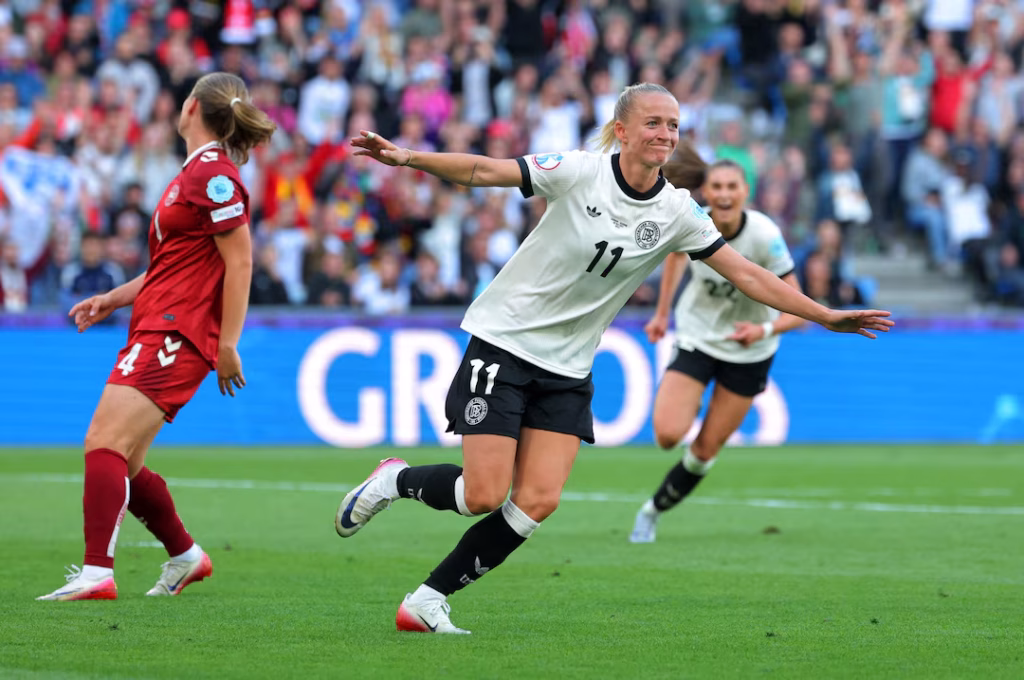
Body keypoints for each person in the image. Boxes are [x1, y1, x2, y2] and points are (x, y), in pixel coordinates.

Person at [336, 82, 892, 634]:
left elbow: (746, 272)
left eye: (673, 125)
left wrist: (824, 315)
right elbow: (487, 171)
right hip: (505, 344)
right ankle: (395, 480)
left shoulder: (677, 210)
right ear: (622, 130)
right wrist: (407, 157)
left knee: (536, 503)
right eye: (653, 122)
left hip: (569, 368)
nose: (666, 134)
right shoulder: (578, 170)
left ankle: (427, 601)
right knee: (482, 495)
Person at [37, 73, 276, 601]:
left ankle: (97, 571)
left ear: (191, 107)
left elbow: (240, 261)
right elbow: (171, 266)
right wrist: (112, 299)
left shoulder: (213, 175)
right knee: (127, 459)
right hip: (156, 320)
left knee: (103, 441)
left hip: (177, 331)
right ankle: (186, 555)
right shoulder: (193, 174)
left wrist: (228, 343)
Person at [629, 160, 803, 543]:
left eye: (731, 186)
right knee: (667, 435)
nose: (723, 194)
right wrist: (662, 314)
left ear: (745, 192)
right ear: (706, 192)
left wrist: (764, 328)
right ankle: (690, 395)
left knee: (705, 450)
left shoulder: (764, 236)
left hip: (750, 351)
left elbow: (798, 306)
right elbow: (675, 255)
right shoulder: (694, 221)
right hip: (698, 336)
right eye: (717, 187)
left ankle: (651, 511)